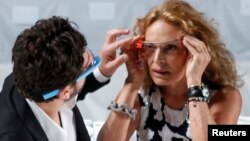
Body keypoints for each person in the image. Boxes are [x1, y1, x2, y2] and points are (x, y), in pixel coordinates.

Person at [97, 0, 243, 141]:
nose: (157, 59)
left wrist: (194, 81)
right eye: (150, 47)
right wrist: (131, 83)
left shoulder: (226, 96)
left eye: (170, 47)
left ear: (196, 50)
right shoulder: (141, 95)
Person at [0, 16, 136, 141]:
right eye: (88, 67)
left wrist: (102, 71)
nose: (93, 61)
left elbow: (71, 84)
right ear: (65, 92)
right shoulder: (12, 135)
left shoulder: (29, 71)